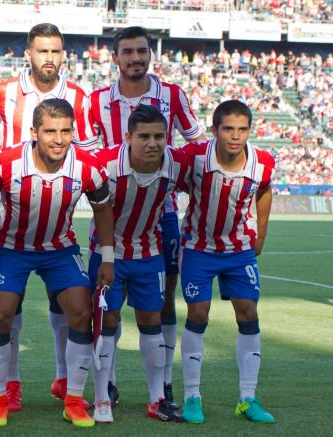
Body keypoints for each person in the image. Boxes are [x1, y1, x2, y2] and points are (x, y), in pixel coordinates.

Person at [0, 22, 94, 410]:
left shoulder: (78, 96)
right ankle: (10, 383)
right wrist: (2, 162)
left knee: (68, 305)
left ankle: (64, 378)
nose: (49, 58)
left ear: (63, 55)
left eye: (56, 51)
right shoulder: (6, 90)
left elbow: (88, 150)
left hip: (56, 205)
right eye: (42, 51)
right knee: (10, 306)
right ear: (29, 53)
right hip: (12, 205)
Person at [86, 26, 206, 407]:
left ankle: (164, 385)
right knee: (108, 307)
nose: (135, 58)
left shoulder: (173, 94)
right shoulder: (96, 101)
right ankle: (110, 384)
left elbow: (198, 146)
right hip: (110, 213)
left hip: (162, 215)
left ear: (150, 54)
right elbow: (91, 162)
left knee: (161, 301)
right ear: (115, 57)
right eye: (128, 52)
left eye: (141, 51)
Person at [0, 98, 114, 428]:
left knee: (82, 313)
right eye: (50, 131)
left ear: (73, 132)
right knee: (0, 315)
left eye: (66, 131)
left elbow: (102, 207)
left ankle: (73, 399)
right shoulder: (5, 164)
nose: (58, 139)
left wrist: (108, 256)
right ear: (34, 132)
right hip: (12, 248)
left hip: (60, 249)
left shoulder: (86, 166)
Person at [178, 100, 276, 424]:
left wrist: (260, 234)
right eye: (228, 129)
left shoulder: (262, 162)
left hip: (239, 250)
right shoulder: (194, 159)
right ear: (215, 130)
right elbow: (166, 185)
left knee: (248, 311)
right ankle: (192, 395)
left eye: (242, 129)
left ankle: (247, 398)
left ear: (249, 130)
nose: (235, 136)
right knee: (198, 313)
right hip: (198, 248)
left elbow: (264, 190)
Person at [89, 105, 188, 423]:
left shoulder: (175, 164)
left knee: (152, 319)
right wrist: (106, 256)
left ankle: (156, 397)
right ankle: (102, 396)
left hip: (149, 253)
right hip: (108, 254)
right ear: (129, 137)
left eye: (159, 136)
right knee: (107, 321)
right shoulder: (106, 165)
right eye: (143, 136)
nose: (152, 143)